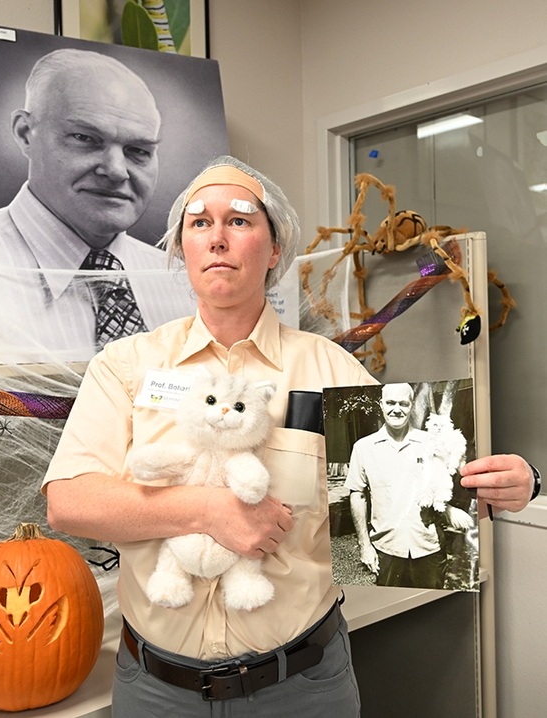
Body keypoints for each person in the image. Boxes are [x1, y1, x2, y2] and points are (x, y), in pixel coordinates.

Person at [43, 156, 535, 717]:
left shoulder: (331, 370)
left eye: (241, 220)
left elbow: (416, 479)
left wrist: (509, 486)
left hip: (302, 689)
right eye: (199, 223)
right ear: (182, 250)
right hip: (156, 692)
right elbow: (69, 502)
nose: (218, 237)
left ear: (275, 249)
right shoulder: (126, 367)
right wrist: (206, 510)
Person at [0, 48, 192, 362]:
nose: (116, 170)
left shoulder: (184, 284)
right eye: (85, 138)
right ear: (25, 133)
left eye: (138, 150)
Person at [345, 383, 472, 589]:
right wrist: (364, 546)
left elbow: (453, 473)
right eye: (390, 403)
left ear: (411, 405)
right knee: (390, 615)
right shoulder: (363, 448)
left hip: (428, 547)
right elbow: (357, 495)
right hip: (387, 549)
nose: (397, 409)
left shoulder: (431, 442)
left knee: (433, 612)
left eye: (403, 403)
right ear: (381, 405)